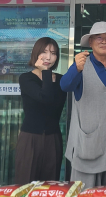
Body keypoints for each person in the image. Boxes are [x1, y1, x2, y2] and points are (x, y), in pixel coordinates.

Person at [61, 21, 106, 187]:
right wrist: (76, 69)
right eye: (98, 37)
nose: (104, 41)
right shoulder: (80, 66)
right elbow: (65, 86)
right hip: (87, 149)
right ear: (90, 42)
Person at [14, 37, 68, 185]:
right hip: (30, 139)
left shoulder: (61, 80)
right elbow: (45, 97)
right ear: (36, 53)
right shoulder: (26, 79)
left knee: (50, 186)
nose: (48, 57)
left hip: (53, 138)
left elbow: (53, 102)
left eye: (53, 53)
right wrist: (46, 72)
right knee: (25, 184)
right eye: (44, 52)